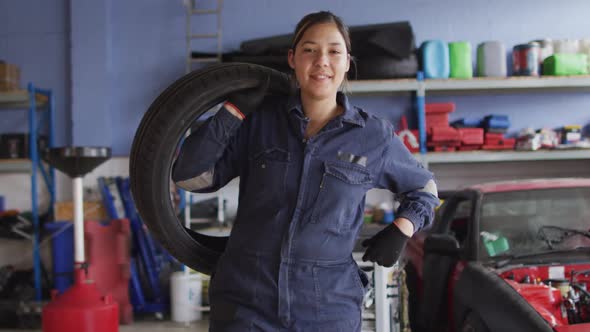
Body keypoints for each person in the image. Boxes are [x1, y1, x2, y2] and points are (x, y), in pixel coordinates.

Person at [172, 11, 439, 331]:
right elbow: (190, 176)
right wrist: (232, 111)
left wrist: (403, 227)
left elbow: (424, 189)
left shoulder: (372, 135)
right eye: (310, 50)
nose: (321, 60)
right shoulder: (259, 123)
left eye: (334, 51)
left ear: (347, 62)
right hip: (247, 301)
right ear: (292, 59)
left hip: (326, 305)